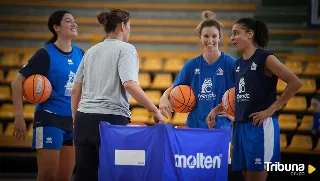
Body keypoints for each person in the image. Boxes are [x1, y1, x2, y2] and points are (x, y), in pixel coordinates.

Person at [71, 8, 164, 181]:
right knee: (114, 175)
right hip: (110, 119)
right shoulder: (126, 49)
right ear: (122, 26)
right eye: (129, 26)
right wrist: (154, 109)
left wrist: (75, 119)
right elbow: (129, 84)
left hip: (84, 120)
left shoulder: (91, 51)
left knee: (84, 176)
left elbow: (76, 89)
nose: (129, 30)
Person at [208, 17, 302, 181]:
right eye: (232, 34)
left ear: (250, 34)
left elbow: (295, 82)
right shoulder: (237, 65)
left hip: (260, 126)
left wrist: (271, 109)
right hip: (241, 127)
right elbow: (237, 96)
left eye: (236, 33)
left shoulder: (265, 58)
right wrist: (215, 111)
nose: (232, 38)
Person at [11, 10, 84, 181]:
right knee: (47, 175)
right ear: (56, 27)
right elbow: (16, 83)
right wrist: (19, 117)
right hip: (49, 119)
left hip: (73, 121)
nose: (74, 24)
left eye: (74, 21)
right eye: (68, 21)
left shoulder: (81, 54)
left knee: (64, 177)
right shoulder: (45, 54)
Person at [159, 10, 235, 136]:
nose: (210, 40)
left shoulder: (231, 64)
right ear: (200, 37)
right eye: (206, 36)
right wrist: (164, 98)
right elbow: (175, 88)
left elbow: (245, 92)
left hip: (220, 129)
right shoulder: (191, 65)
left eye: (214, 36)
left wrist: (234, 115)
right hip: (194, 128)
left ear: (220, 37)